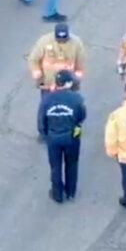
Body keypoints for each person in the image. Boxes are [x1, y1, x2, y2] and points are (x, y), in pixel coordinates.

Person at [38, 70, 87, 203]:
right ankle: (71, 192)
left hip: (53, 138)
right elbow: (82, 116)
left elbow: (41, 121)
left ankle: (57, 194)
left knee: (55, 167)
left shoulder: (47, 100)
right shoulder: (77, 99)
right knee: (72, 164)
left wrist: (46, 135)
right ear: (68, 83)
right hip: (72, 137)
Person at [28, 22, 86, 90]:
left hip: (68, 84)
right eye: (59, 39)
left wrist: (77, 76)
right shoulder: (45, 41)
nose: (61, 41)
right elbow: (33, 59)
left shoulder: (76, 43)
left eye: (64, 40)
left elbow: (81, 62)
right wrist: (36, 70)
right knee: (48, 100)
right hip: (48, 83)